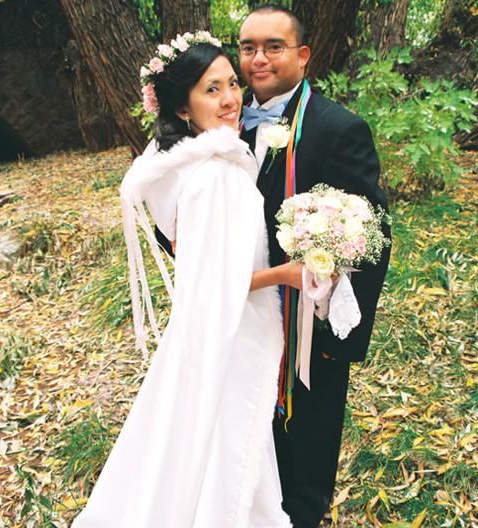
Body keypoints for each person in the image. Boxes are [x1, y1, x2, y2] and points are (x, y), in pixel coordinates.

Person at [72, 34, 302, 528]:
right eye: (211, 90)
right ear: (181, 106)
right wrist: (289, 273)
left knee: (208, 441)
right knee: (229, 445)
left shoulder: (184, 166)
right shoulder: (213, 175)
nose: (230, 99)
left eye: (231, 85)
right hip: (229, 331)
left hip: (204, 328)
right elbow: (219, 280)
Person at [239, 6, 391, 528]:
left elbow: (372, 236)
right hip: (241, 313)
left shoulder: (337, 128)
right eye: (247, 47)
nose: (258, 58)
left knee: (306, 446)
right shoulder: (219, 122)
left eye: (273, 47)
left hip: (309, 326)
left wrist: (334, 335)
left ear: (302, 55)